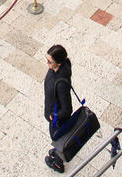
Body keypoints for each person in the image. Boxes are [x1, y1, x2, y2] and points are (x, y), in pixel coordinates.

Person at [43, 44, 73, 174]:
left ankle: (58, 163)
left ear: (58, 63)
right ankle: (57, 152)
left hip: (57, 119)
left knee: (57, 139)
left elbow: (67, 109)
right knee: (57, 139)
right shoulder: (55, 69)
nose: (47, 63)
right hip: (53, 110)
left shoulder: (61, 83)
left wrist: (54, 117)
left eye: (50, 61)